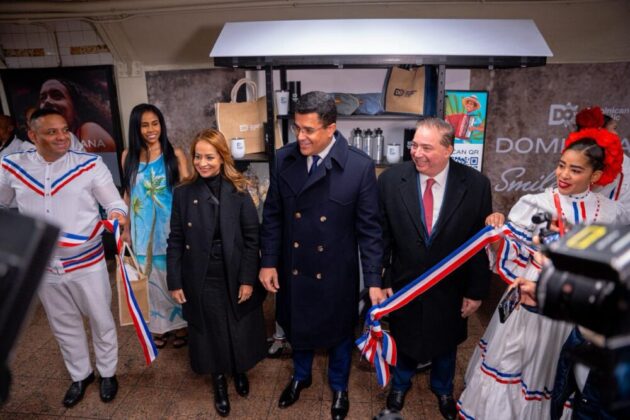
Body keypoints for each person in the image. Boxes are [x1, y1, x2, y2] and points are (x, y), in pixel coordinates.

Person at [457, 128, 627, 419]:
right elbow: (513, 253)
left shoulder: (613, 212)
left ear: (596, 175)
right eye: (561, 165)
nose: (564, 175)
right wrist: (497, 233)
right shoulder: (535, 204)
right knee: (517, 359)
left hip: (579, 306)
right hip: (532, 295)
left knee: (563, 369)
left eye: (575, 170)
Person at [259, 91, 385, 420]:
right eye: (297, 128)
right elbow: (272, 215)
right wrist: (268, 261)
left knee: (339, 333)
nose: (300, 136)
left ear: (331, 128)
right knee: (298, 325)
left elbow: (370, 230)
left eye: (309, 130)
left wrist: (374, 279)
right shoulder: (283, 159)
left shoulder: (359, 166)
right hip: (295, 266)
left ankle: (339, 386)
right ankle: (300, 377)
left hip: (335, 270)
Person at [0, 108, 127, 407]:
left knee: (101, 319)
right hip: (44, 266)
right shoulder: (11, 166)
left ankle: (108, 372)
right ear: (33, 136)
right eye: (51, 132)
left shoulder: (89, 165)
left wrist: (117, 218)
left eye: (64, 130)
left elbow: (114, 203)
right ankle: (80, 375)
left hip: (87, 262)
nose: (62, 137)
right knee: (62, 324)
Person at [378, 117, 492, 419]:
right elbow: (383, 236)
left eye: (426, 148)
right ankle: (399, 386)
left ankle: (443, 389)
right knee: (404, 335)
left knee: (447, 339)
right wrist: (383, 278)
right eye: (414, 145)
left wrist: (476, 291)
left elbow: (479, 243)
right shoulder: (390, 181)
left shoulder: (476, 185)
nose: (417, 153)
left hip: (451, 285)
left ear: (448, 149)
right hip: (405, 282)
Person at [166, 129, 267, 417]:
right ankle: (219, 378)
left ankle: (239, 369)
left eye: (209, 157)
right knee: (211, 329)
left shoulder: (239, 191)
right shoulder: (183, 194)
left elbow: (252, 238)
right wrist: (175, 280)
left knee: (239, 324)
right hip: (201, 273)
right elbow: (175, 240)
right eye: (197, 157)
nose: (202, 163)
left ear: (222, 158)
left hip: (234, 269)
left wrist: (247, 279)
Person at [121, 103, 189, 348]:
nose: (151, 130)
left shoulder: (175, 154)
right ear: (135, 128)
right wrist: (126, 228)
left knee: (173, 276)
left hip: (170, 229)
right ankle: (158, 328)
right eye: (144, 125)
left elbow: (187, 191)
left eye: (155, 123)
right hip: (141, 231)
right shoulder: (127, 156)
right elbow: (129, 194)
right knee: (149, 280)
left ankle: (180, 325)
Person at [38, 78, 116, 153]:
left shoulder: (90, 129)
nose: (47, 101)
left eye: (57, 96)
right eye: (43, 98)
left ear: (75, 107)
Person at [575, 106, 629, 212]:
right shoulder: (575, 157)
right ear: (600, 131)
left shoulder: (623, 164)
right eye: (614, 128)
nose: (616, 133)